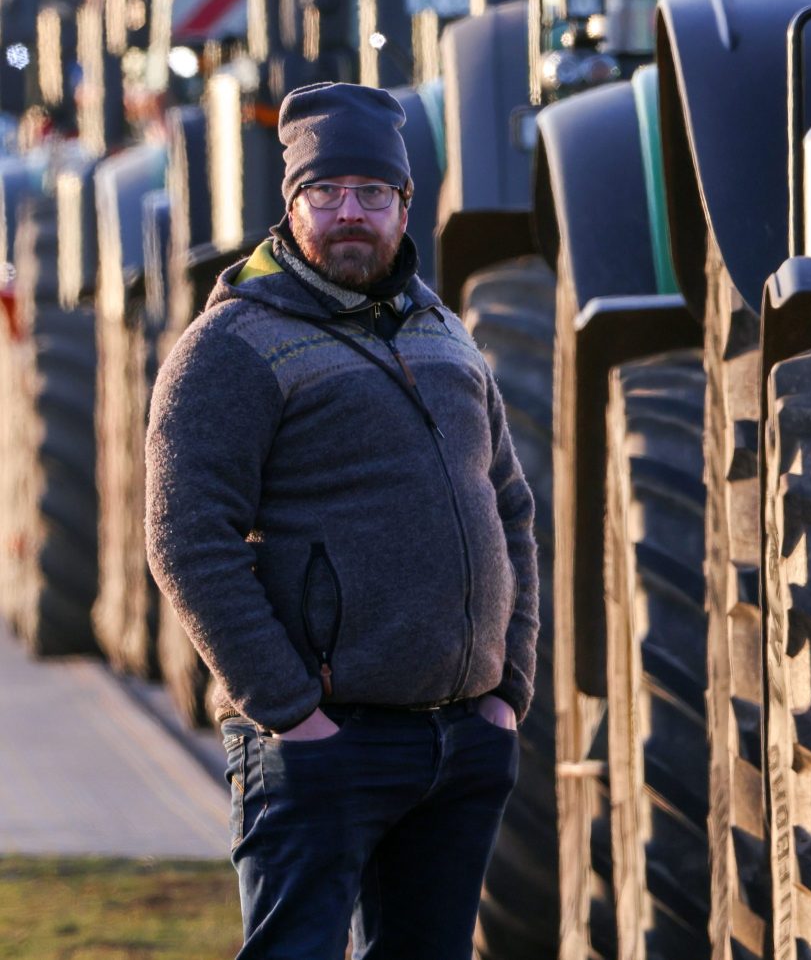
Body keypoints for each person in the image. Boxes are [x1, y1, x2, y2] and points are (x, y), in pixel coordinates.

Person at [145, 81, 538, 958]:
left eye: (371, 193)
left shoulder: (441, 331)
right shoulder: (233, 346)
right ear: (291, 206)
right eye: (324, 193)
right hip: (324, 749)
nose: (348, 213)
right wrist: (291, 713)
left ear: (405, 205)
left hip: (460, 742)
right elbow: (185, 539)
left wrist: (509, 689)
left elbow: (509, 503)